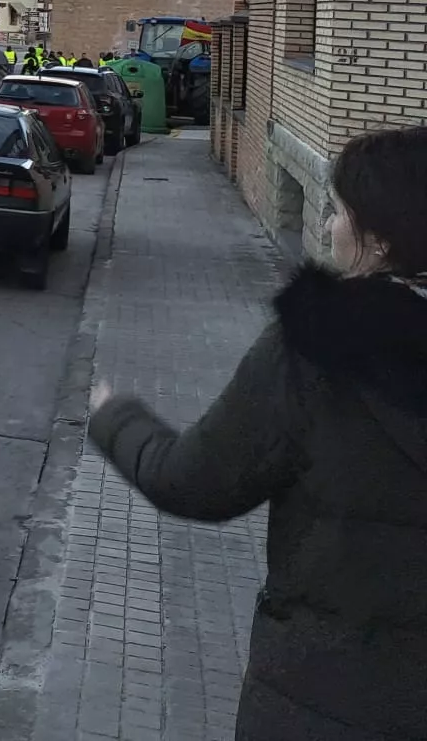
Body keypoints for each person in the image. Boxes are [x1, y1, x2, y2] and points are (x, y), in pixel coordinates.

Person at [88, 126, 427, 739]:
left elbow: (195, 482)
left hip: (328, 700)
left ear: (379, 240)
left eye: (342, 213)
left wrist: (116, 417)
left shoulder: (324, 351)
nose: (330, 228)